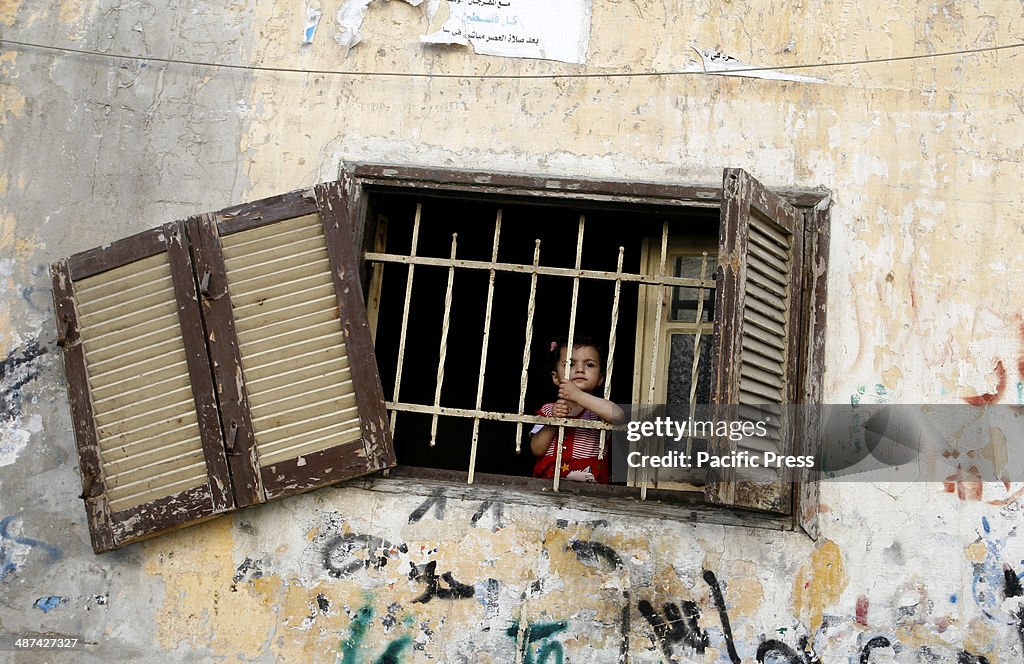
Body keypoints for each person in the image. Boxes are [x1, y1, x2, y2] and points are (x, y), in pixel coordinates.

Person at [530, 337, 624, 484]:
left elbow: (619, 416)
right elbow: (537, 449)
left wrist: (578, 396)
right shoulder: (548, 410)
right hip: (547, 488)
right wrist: (553, 421)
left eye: (590, 365)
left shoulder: (598, 411)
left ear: (600, 378)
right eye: (570, 364)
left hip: (592, 491)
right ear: (555, 377)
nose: (580, 369)